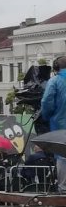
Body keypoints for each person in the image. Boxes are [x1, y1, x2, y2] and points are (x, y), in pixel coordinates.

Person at [41, 55, 66, 192]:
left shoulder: (55, 81)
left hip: (61, 125)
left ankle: (63, 189)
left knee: (62, 154)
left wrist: (46, 115)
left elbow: (46, 102)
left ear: (56, 68)